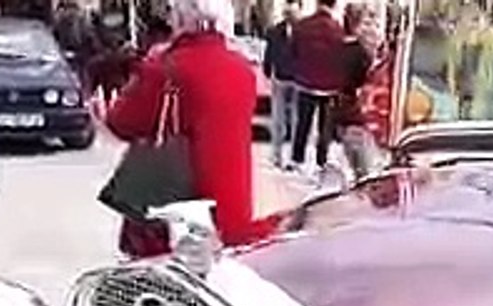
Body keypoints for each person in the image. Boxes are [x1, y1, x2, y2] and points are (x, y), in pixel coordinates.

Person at [106, 0, 256, 258]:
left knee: (161, 285)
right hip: (231, 203)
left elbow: (122, 122)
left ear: (183, 20)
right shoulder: (243, 70)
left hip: (175, 203)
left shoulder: (163, 68)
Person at [288, 0, 344, 172]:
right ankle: (322, 160)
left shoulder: (302, 26)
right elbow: (341, 57)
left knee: (303, 122)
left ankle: (297, 158)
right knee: (324, 126)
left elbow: (293, 51)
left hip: (306, 81)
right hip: (330, 85)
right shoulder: (338, 29)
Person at [335, 4, 378, 179]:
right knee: (364, 172)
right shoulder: (360, 54)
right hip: (357, 117)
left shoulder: (339, 48)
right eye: (367, 23)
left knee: (355, 166)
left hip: (342, 114)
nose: (372, 29)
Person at [262, 0, 298, 168]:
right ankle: (276, 155)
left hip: (298, 80)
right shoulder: (274, 31)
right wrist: (268, 70)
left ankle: (293, 157)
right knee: (278, 119)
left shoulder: (302, 32)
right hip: (280, 78)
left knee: (295, 119)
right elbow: (269, 53)